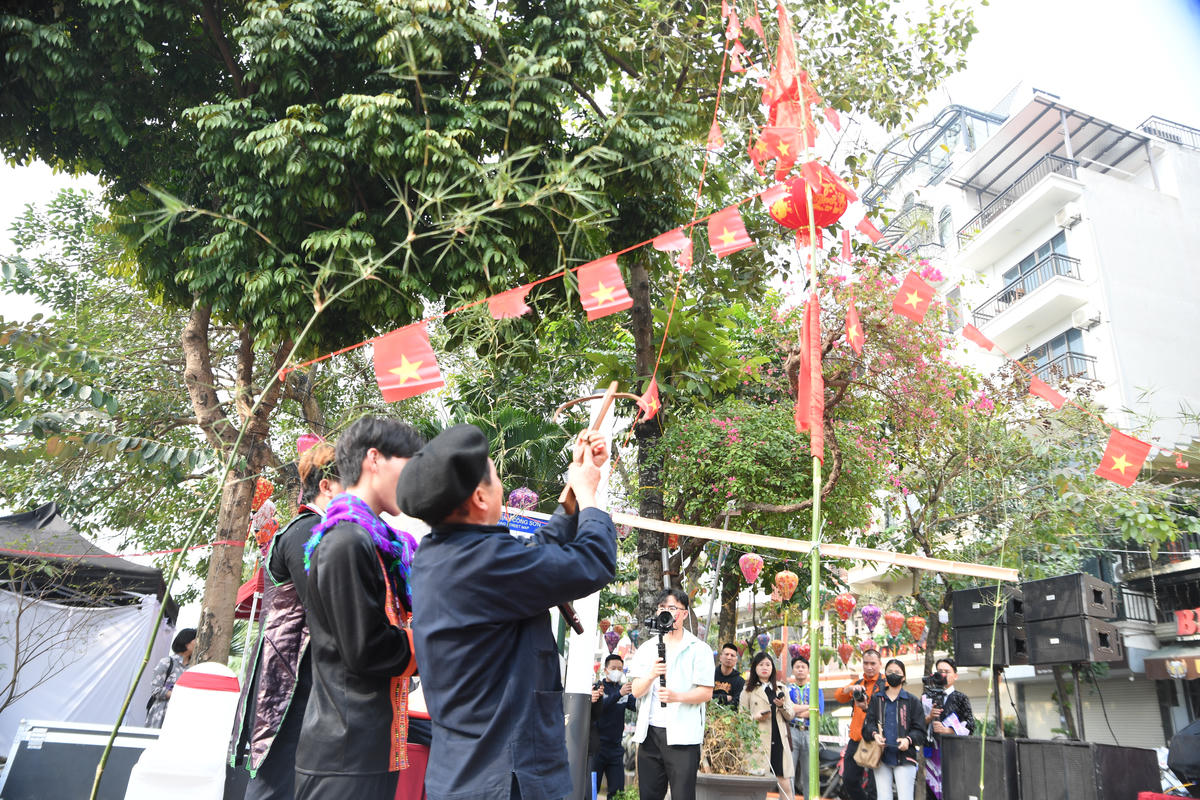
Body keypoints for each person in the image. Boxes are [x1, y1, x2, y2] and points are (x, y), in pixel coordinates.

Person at [401, 424, 616, 800]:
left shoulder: (440, 556)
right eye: (497, 476)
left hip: (466, 775)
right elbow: (595, 561)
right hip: (508, 779)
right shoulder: (486, 563)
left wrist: (574, 490)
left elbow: (534, 554)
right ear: (481, 497)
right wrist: (588, 491)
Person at [294, 417, 426, 800]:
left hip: (370, 750)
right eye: (410, 464)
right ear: (375, 459)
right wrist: (433, 640)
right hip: (344, 757)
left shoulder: (376, 541)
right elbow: (366, 649)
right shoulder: (347, 542)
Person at [229, 443, 342, 800]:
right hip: (289, 687)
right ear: (327, 487)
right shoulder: (308, 531)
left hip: (307, 685)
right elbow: (330, 612)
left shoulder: (322, 532)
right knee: (277, 787)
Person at [628, 588, 715, 800]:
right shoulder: (647, 648)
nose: (665, 612)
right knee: (648, 795)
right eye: (662, 608)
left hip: (683, 737)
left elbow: (706, 693)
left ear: (684, 613)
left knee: (683, 795)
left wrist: (677, 696)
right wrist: (651, 676)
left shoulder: (698, 648)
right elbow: (636, 691)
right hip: (649, 735)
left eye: (672, 608)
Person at [863, 659, 926, 800]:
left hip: (905, 757)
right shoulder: (876, 699)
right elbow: (867, 726)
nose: (893, 674)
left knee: (905, 797)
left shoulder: (912, 701)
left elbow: (920, 731)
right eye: (890, 671)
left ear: (903, 677)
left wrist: (908, 740)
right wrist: (875, 735)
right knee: (883, 797)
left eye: (897, 672)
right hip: (880, 756)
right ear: (885, 674)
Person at [741, 651, 795, 800]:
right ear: (755, 668)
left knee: (785, 786)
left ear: (772, 668)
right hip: (759, 742)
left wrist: (782, 706)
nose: (765, 667)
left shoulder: (781, 689)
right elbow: (741, 718)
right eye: (761, 664)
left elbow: (790, 715)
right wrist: (755, 717)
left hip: (779, 741)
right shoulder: (748, 691)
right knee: (757, 788)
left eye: (768, 664)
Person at [922, 657, 976, 800]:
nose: (943, 675)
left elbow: (971, 724)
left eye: (946, 671)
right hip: (932, 751)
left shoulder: (960, 698)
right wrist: (928, 717)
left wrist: (948, 730)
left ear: (955, 675)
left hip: (953, 753)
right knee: (931, 793)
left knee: (953, 790)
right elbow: (916, 724)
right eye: (940, 671)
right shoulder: (926, 697)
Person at [832, 649, 883, 800]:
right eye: (866, 663)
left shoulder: (885, 683)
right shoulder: (858, 684)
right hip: (856, 738)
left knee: (876, 785)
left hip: (877, 740)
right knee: (849, 779)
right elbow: (838, 696)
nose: (869, 667)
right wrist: (849, 689)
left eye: (873, 663)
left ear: (880, 664)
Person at [591, 653, 635, 797]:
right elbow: (601, 707)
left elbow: (636, 706)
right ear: (606, 670)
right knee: (591, 791)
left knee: (617, 792)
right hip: (598, 748)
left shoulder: (625, 691)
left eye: (620, 668)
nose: (617, 671)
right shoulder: (598, 688)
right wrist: (619, 694)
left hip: (616, 749)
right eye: (613, 668)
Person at [788, 656, 824, 800]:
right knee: (788, 771)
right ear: (793, 670)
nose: (800, 669)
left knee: (810, 773)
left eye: (803, 667)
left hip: (810, 733)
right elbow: (787, 710)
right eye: (797, 667)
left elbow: (818, 711)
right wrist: (809, 708)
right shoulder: (787, 689)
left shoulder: (816, 690)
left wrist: (796, 711)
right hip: (791, 731)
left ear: (808, 670)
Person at [145, 628, 196, 727]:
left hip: (181, 717)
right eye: (195, 640)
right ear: (186, 643)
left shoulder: (193, 667)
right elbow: (155, 689)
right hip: (161, 714)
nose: (198, 643)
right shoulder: (167, 662)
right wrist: (178, 695)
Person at [713, 642, 745, 707]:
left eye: (732, 655)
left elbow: (736, 702)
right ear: (720, 657)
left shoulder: (740, 680)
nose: (729, 658)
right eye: (726, 654)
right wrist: (725, 698)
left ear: (736, 660)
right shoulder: (711, 674)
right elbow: (705, 695)